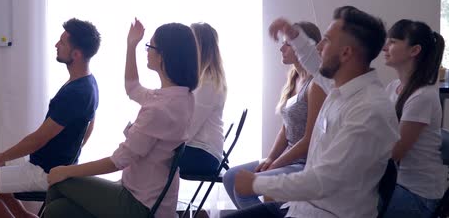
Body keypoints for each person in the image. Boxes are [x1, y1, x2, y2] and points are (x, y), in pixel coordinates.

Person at [227, 6, 399, 218]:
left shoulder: (369, 110)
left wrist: (257, 183)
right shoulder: (341, 87)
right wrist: (292, 35)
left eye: (325, 40)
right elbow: (313, 60)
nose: (318, 47)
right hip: (302, 208)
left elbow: (322, 181)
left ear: (346, 53)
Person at [42, 19, 199, 218]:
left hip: (139, 204)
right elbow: (133, 88)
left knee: (59, 180)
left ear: (163, 56)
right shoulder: (181, 97)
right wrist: (131, 45)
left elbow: (118, 161)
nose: (147, 51)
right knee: (58, 210)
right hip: (148, 197)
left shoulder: (160, 108)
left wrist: (66, 171)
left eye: (149, 46)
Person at [0, 18, 100, 218]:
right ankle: (25, 216)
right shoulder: (88, 82)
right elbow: (89, 127)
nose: (56, 45)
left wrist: (0, 157)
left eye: (62, 42)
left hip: (44, 172)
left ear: (76, 54)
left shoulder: (76, 93)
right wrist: (70, 156)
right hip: (49, 166)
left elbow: (37, 140)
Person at [222, 22, 326, 209]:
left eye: (287, 44)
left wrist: (276, 164)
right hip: (289, 158)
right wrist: (270, 159)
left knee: (244, 189)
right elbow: (285, 129)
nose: (281, 48)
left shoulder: (315, 85)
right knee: (231, 178)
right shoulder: (294, 79)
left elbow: (309, 139)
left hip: (305, 164)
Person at [381, 19, 446, 217]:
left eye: (392, 42)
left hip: (418, 193)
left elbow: (394, 152)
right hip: (396, 182)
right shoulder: (393, 88)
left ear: (414, 50)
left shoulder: (422, 96)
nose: (385, 47)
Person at [178, 22, 227, 176]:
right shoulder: (204, 80)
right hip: (199, 149)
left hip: (203, 154)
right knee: (149, 153)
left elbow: (189, 127)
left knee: (151, 157)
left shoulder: (208, 83)